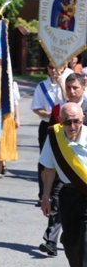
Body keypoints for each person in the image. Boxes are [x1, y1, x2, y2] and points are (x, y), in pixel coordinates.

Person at [40, 102, 87, 267]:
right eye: (67, 121)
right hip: (68, 194)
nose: (72, 125)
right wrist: (46, 196)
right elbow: (48, 170)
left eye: (76, 120)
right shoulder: (54, 138)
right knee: (69, 241)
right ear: (60, 121)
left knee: (85, 243)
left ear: (82, 119)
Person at [39, 73, 87, 257]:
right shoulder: (59, 109)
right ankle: (52, 238)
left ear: (84, 87)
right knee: (58, 203)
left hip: (83, 172)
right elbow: (51, 140)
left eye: (75, 87)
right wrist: (45, 192)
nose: (72, 91)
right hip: (63, 167)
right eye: (68, 88)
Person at [31, 63, 64, 206]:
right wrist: (50, 115)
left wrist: (62, 84)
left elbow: (68, 101)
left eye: (58, 67)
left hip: (64, 126)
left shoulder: (67, 85)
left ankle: (59, 192)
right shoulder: (42, 86)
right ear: (47, 69)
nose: (54, 71)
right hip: (47, 125)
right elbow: (36, 107)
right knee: (45, 160)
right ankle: (43, 193)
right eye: (51, 67)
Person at [0, 80, 21, 178]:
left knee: (4, 141)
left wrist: (17, 118)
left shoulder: (13, 83)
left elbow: (15, 102)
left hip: (8, 115)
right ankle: (2, 163)